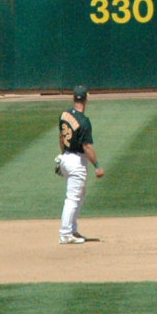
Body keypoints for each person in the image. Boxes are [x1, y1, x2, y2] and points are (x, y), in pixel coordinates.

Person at [55, 85, 105, 244]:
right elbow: (87, 147)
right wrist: (97, 166)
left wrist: (63, 156)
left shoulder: (64, 115)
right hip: (76, 161)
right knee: (72, 198)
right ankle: (65, 233)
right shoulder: (84, 121)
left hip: (66, 157)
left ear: (73, 98)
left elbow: (61, 137)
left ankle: (72, 230)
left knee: (79, 194)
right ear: (86, 99)